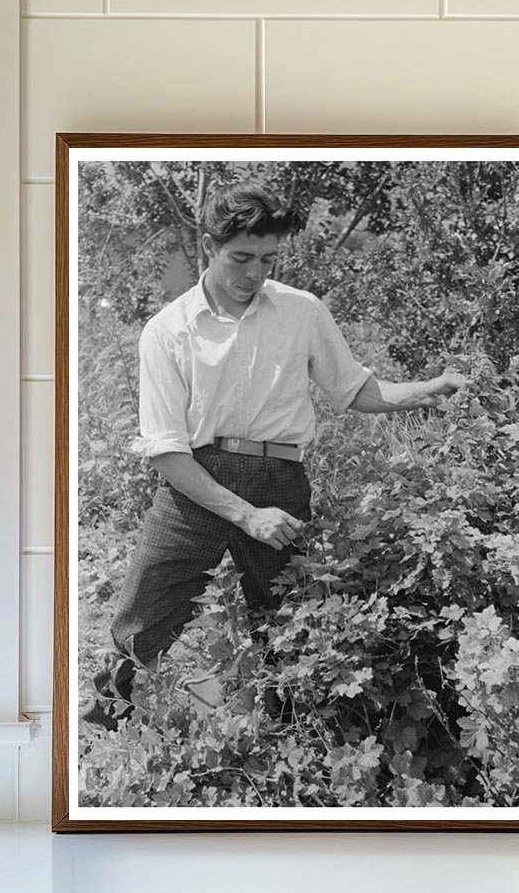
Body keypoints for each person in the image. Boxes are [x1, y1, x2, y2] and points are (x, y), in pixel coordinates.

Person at [82, 180, 467, 731]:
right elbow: (167, 452)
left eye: (267, 259)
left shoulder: (301, 312)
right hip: (196, 481)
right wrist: (244, 515)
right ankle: (107, 726)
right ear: (211, 245)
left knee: (289, 619)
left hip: (282, 480)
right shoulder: (166, 331)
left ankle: (294, 732)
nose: (254, 273)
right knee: (143, 610)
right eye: (241, 257)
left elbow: (354, 389)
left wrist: (429, 389)